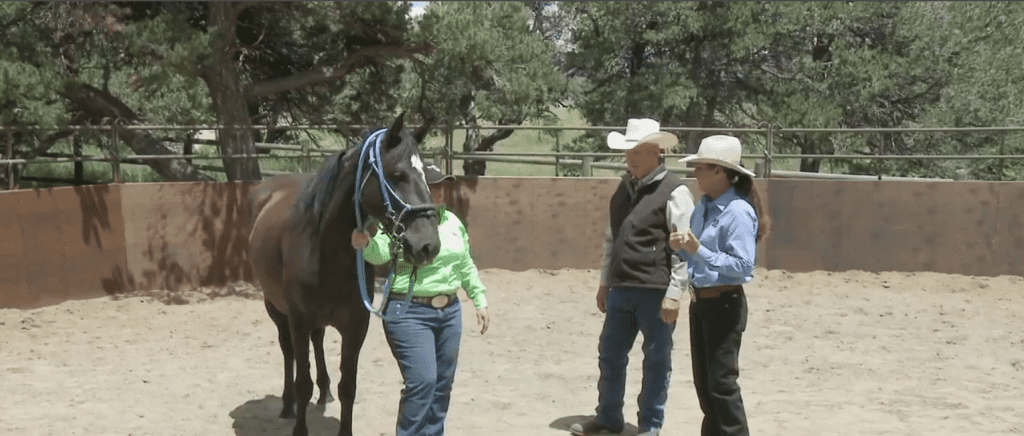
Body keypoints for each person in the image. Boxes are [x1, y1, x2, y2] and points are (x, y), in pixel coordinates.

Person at [571, 118, 695, 436]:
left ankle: (650, 425)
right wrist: (605, 282)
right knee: (610, 353)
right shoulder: (623, 190)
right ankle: (608, 416)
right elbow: (611, 239)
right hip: (622, 287)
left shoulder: (675, 192)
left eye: (637, 151)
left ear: (656, 152)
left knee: (656, 359)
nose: (631, 158)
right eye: (629, 152)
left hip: (656, 289)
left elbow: (683, 247)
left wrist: (675, 292)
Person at [351, 164, 490, 436]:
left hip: (450, 313)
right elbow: (380, 254)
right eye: (433, 186)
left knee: (442, 385)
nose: (439, 191)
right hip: (409, 311)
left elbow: (464, 263)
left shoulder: (452, 221)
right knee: (423, 382)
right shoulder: (401, 220)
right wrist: (366, 243)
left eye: (442, 186)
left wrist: (478, 297)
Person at [670, 135, 771, 436]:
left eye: (700, 167)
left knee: (721, 385)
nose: (695, 173)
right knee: (707, 385)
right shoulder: (704, 206)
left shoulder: (738, 212)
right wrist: (682, 248)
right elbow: (693, 254)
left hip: (724, 303)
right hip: (703, 302)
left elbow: (742, 267)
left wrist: (698, 249)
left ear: (719, 171)